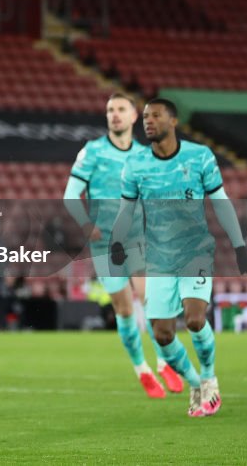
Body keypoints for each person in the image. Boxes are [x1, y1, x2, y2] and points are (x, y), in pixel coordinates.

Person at [110, 98, 247, 419]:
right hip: (159, 259)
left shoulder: (200, 156)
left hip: (195, 252)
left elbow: (220, 201)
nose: (148, 122)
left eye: (155, 116)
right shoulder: (135, 164)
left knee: (194, 319)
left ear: (173, 122)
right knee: (161, 334)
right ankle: (195, 384)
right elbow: (126, 209)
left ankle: (209, 378)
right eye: (145, 117)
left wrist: (239, 246)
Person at [64, 92, 180, 398]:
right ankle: (141, 369)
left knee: (152, 301)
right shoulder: (92, 152)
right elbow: (70, 195)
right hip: (105, 243)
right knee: (125, 309)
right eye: (110, 110)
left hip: (136, 239)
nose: (114, 114)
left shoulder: (145, 155)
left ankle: (165, 363)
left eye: (120, 110)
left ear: (133, 117)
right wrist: (87, 226)